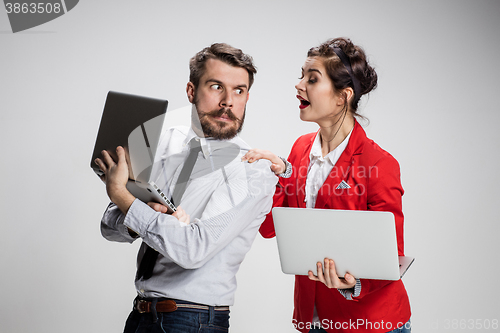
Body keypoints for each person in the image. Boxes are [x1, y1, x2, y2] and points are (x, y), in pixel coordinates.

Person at [94, 43, 290, 333]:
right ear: (191, 91)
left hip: (193, 320)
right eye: (215, 86)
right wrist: (142, 215)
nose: (228, 101)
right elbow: (109, 228)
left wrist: (123, 196)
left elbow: (192, 250)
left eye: (239, 91)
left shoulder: (252, 169)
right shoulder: (163, 143)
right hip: (140, 314)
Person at [242, 38, 411, 332]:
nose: (298, 85)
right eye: (301, 76)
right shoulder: (298, 150)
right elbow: (269, 228)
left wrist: (355, 283)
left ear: (341, 97)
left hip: (371, 322)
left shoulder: (379, 163)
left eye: (312, 79)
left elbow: (390, 257)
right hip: (315, 319)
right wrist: (274, 176)